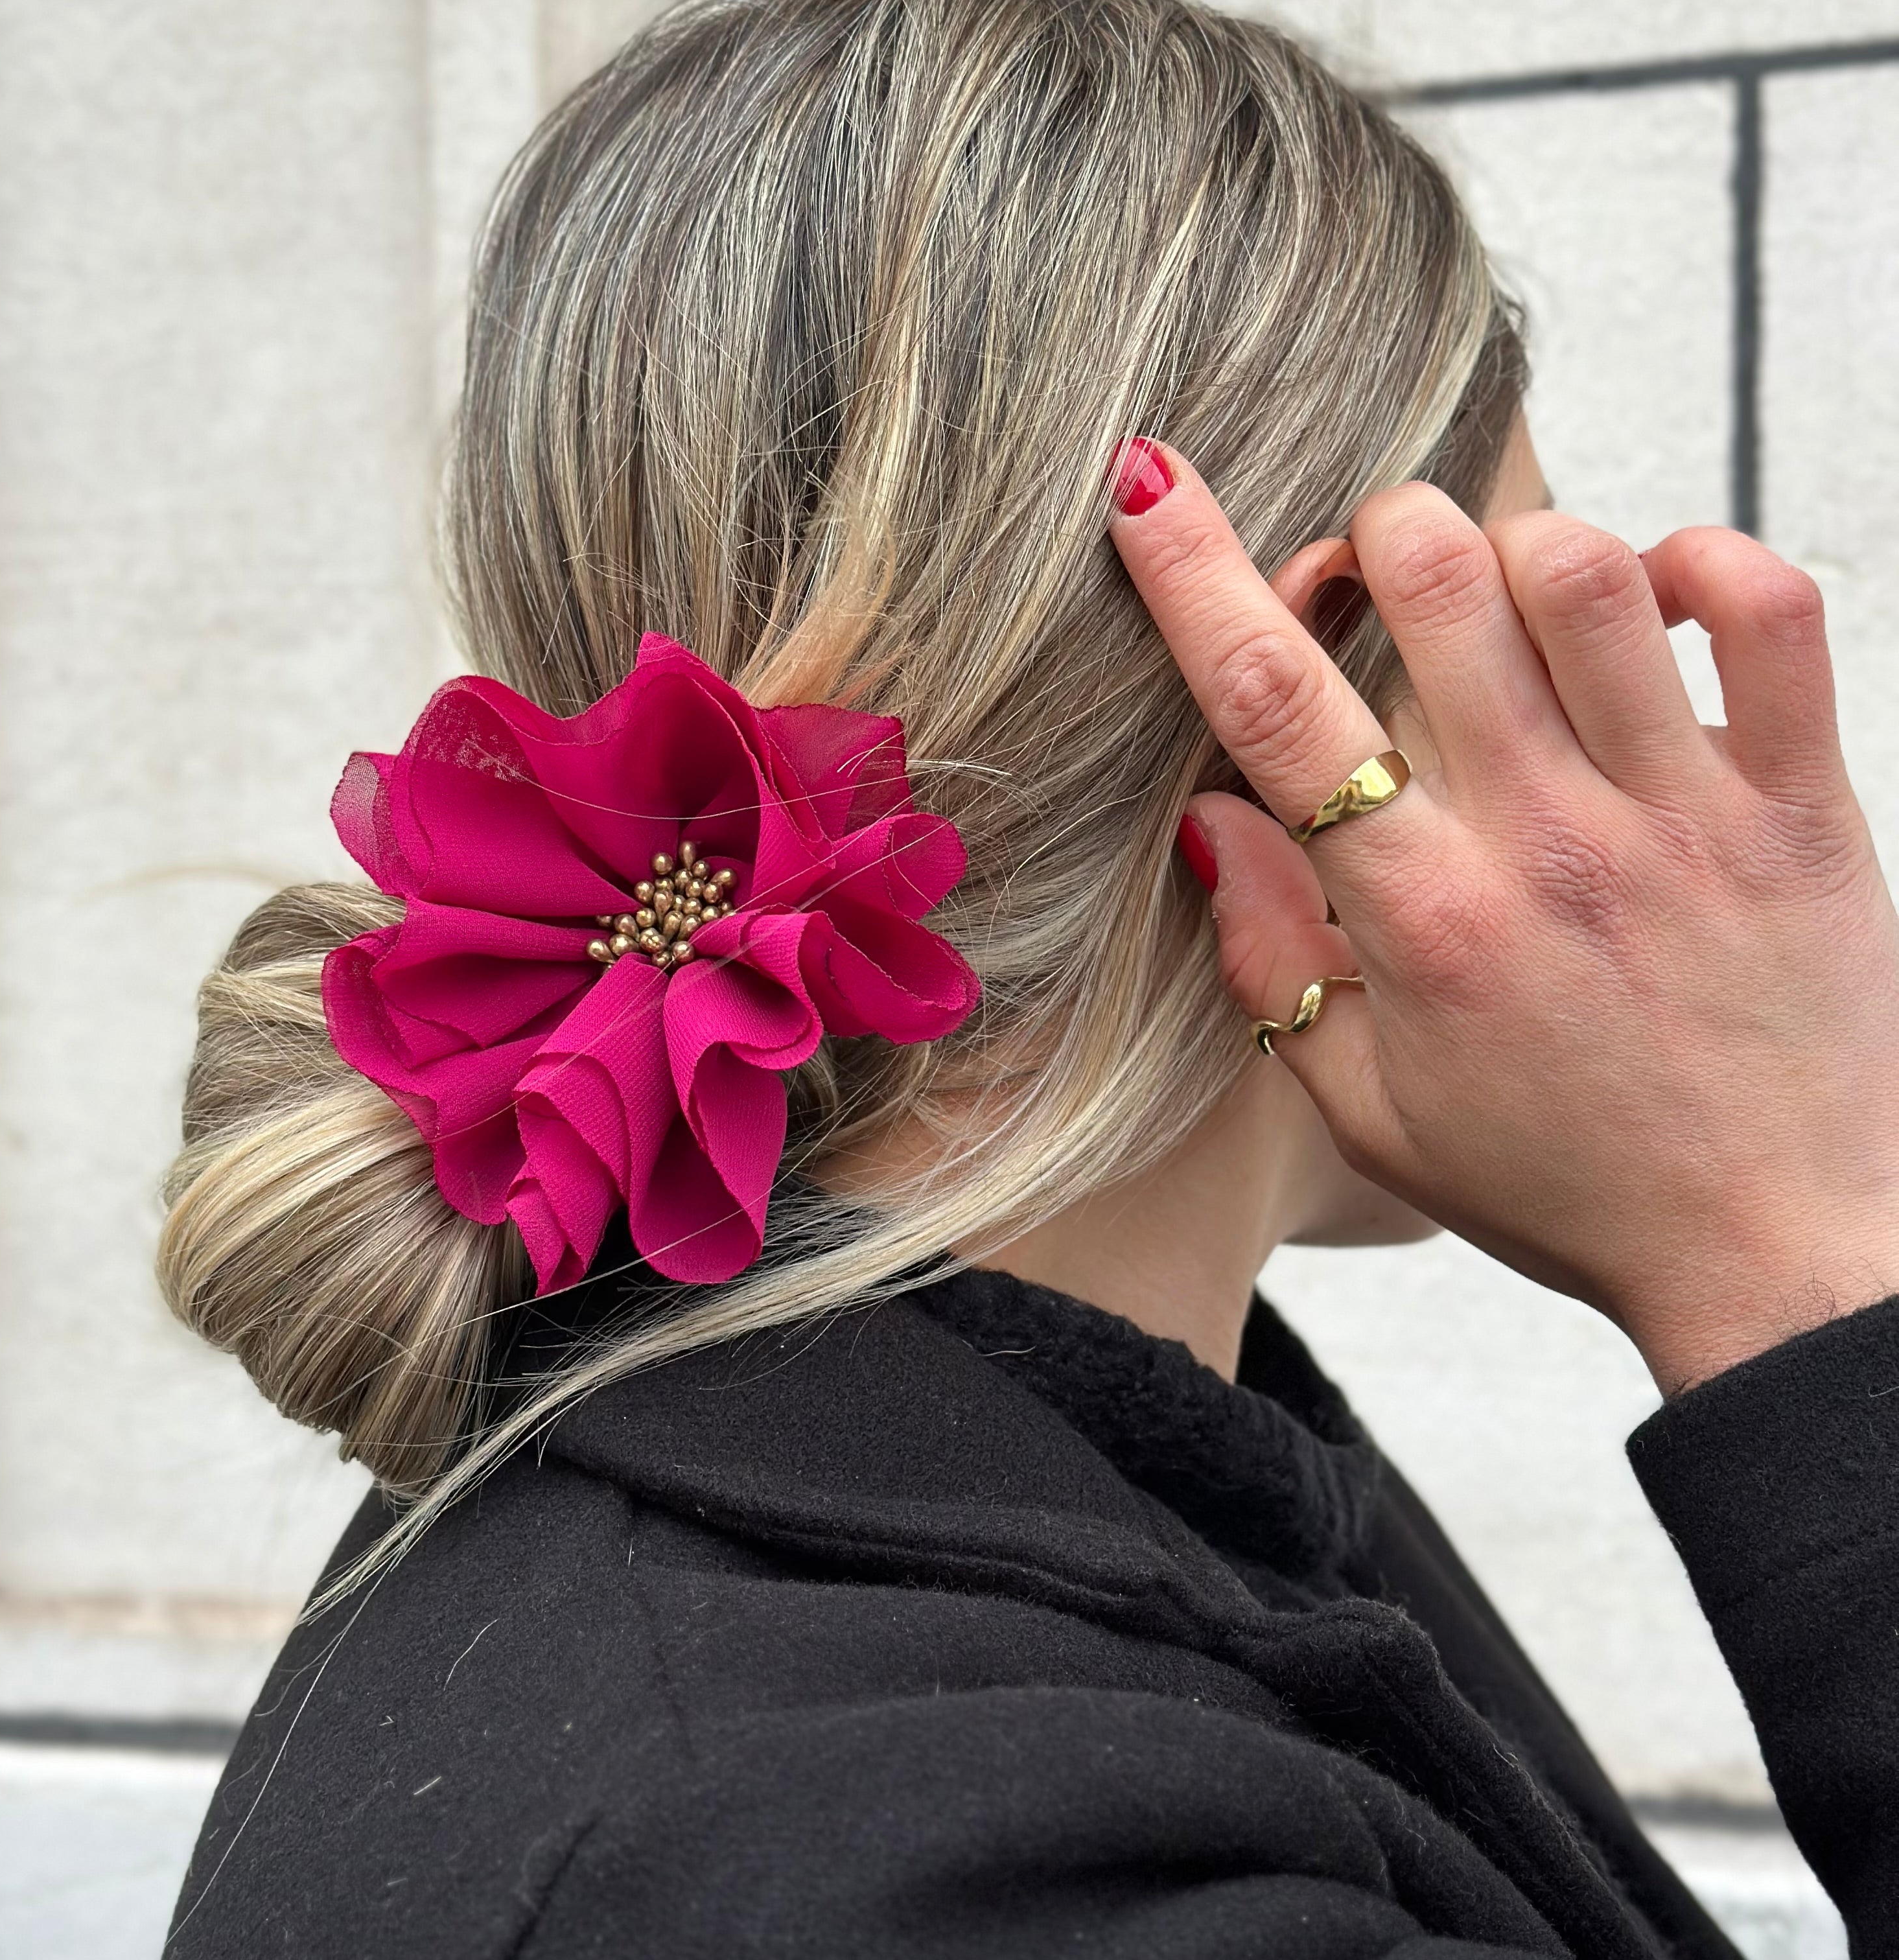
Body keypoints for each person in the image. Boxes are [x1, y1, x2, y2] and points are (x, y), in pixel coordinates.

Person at [156, 1, 1899, 1953]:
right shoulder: (927, 1861)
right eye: (1523, 638)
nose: (1609, 762)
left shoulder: (1012, 1490)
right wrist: (1803, 1263)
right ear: (1289, 716)